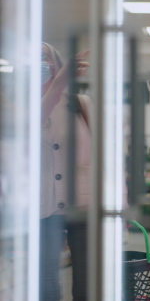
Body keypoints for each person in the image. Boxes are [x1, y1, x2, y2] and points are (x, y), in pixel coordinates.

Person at [39, 42, 92, 301]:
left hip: (82, 204)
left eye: (46, 56)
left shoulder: (82, 104)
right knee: (46, 280)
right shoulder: (19, 109)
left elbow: (105, 155)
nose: (42, 62)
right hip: (41, 205)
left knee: (86, 281)